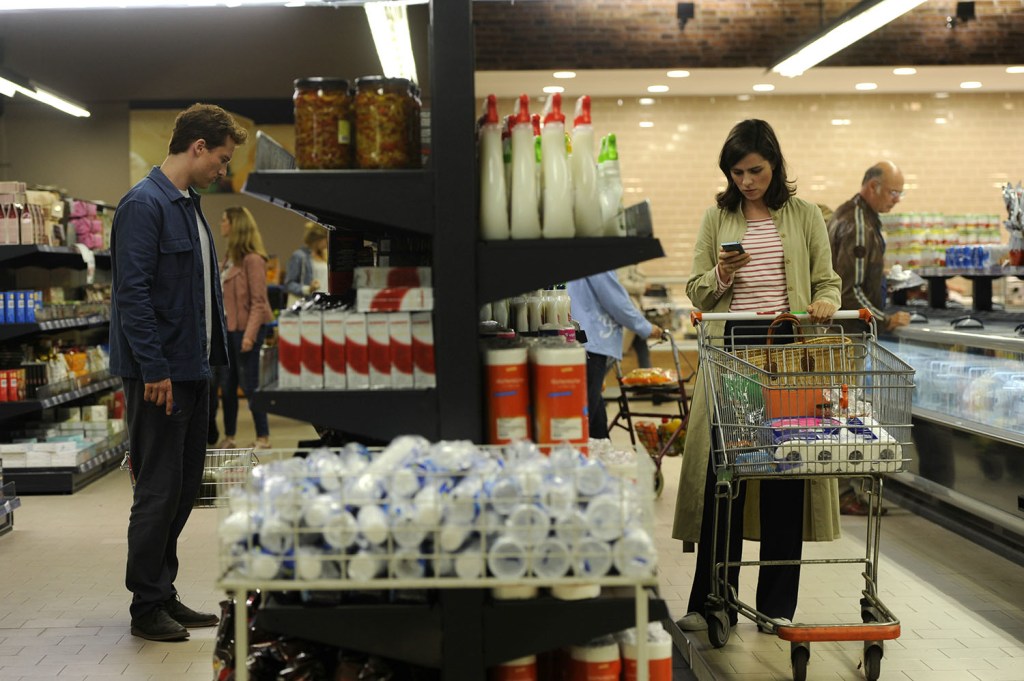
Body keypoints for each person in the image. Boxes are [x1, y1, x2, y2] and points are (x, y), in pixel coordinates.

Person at [671, 119, 842, 634]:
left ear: (774, 164)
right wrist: (723, 273)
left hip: (790, 354)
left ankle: (777, 606)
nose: (746, 181)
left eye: (755, 170)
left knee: (785, 478)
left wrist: (826, 302)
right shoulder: (716, 217)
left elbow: (828, 280)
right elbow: (697, 292)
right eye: (736, 172)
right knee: (725, 481)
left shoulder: (805, 215)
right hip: (735, 354)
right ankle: (710, 602)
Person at [109, 103, 248, 642]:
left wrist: (209, 368)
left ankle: (163, 592)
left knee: (186, 487)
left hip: (194, 370)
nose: (222, 170)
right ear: (196, 148)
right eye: (220, 158)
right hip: (160, 375)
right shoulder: (144, 206)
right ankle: (145, 606)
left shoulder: (189, 205)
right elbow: (133, 297)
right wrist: (155, 369)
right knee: (158, 490)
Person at [827, 161, 911, 515]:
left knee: (837, 410)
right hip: (845, 336)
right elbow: (851, 292)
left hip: (837, 336)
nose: (896, 200)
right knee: (843, 413)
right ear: (872, 187)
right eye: (893, 192)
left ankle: (842, 491)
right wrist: (886, 319)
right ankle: (845, 494)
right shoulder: (859, 225)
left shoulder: (855, 216)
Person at [566, 270, 663, 439]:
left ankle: (602, 450)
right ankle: (585, 457)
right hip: (592, 342)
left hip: (579, 340)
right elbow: (617, 302)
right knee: (586, 412)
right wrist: (646, 328)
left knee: (594, 411)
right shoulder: (597, 258)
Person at [216, 206, 274, 450]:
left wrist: (249, 337)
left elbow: (259, 303)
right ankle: (229, 437)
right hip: (228, 331)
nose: (221, 224)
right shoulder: (229, 259)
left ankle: (263, 437)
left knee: (250, 385)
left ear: (236, 225)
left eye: (224, 220)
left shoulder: (254, 260)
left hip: (247, 331)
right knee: (227, 387)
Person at [284, 221, 329, 306]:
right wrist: (308, 289)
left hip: (324, 304)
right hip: (308, 304)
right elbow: (289, 284)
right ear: (318, 239)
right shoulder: (299, 256)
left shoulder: (325, 256)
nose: (327, 242)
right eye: (325, 239)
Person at [617, 264, 653, 368]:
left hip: (635, 311)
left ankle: (647, 376)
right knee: (618, 352)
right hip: (629, 311)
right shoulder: (623, 264)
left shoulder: (634, 264)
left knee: (642, 348)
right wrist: (642, 286)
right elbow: (621, 282)